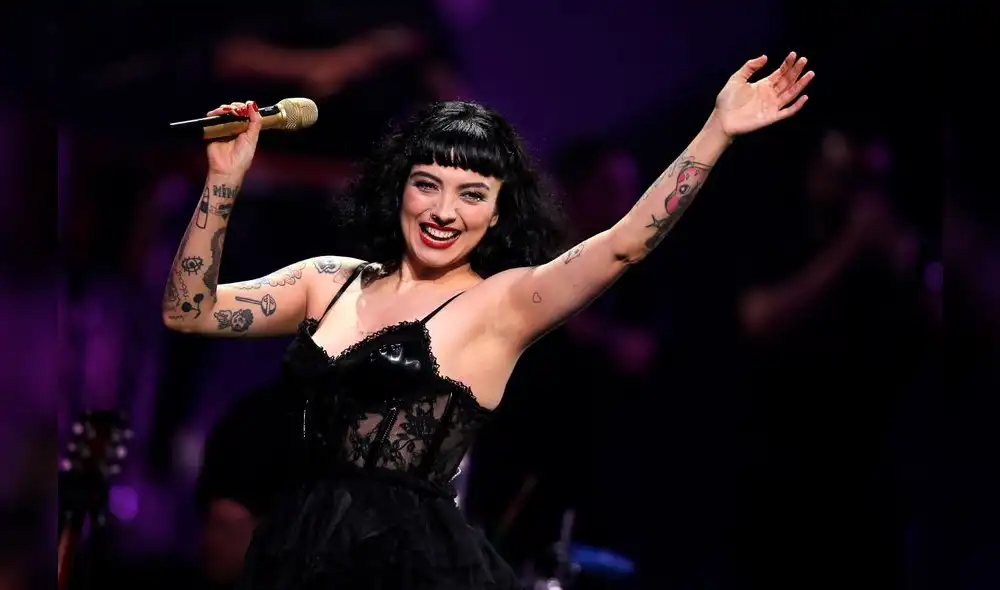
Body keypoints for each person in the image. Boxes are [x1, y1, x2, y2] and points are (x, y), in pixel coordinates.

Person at [161, 52, 814, 589]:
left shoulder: (499, 305)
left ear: (498, 214)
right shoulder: (326, 280)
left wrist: (717, 131)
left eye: (472, 194)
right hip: (297, 552)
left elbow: (624, 242)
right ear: (398, 190)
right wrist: (223, 180)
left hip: (412, 570)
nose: (445, 211)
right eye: (428, 185)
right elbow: (188, 312)